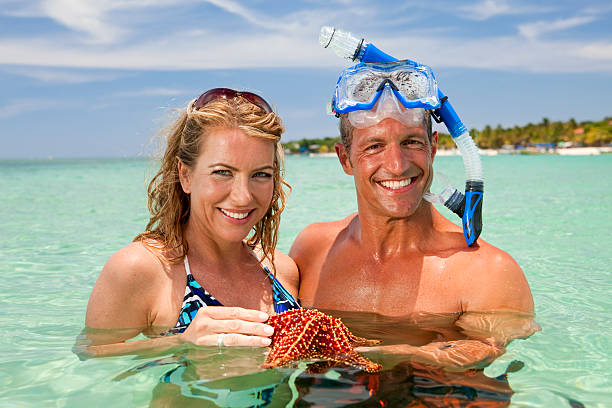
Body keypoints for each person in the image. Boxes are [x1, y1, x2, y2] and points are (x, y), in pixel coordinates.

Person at [290, 62, 538, 370]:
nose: (396, 164)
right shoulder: (313, 250)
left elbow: (494, 381)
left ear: (433, 148)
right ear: (345, 159)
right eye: (374, 146)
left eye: (411, 142)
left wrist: (387, 356)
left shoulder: (488, 273)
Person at [81, 88, 300, 357]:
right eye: (222, 172)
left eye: (261, 174)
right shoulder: (142, 269)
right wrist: (181, 343)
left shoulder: (282, 270)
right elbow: (90, 354)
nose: (243, 196)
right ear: (185, 175)